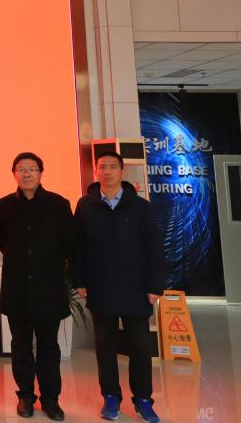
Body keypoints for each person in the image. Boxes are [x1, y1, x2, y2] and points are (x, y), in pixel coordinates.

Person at [73, 151, 164, 423]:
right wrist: (79, 280)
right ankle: (111, 397)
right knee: (105, 347)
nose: (108, 171)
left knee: (140, 347)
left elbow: (155, 248)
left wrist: (155, 285)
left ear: (122, 171)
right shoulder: (86, 205)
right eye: (103, 167)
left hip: (136, 287)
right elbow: (78, 247)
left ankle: (143, 400)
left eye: (113, 167)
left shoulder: (140, 206)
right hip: (100, 286)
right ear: (96, 171)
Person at [0, 152, 74, 421]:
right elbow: (1, 241)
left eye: (32, 169)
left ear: (41, 172)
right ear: (14, 173)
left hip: (49, 288)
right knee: (20, 346)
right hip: (17, 289)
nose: (26, 173)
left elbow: (68, 244)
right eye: (21, 169)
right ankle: (26, 396)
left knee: (49, 346)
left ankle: (51, 399)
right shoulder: (3, 205)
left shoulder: (59, 204)